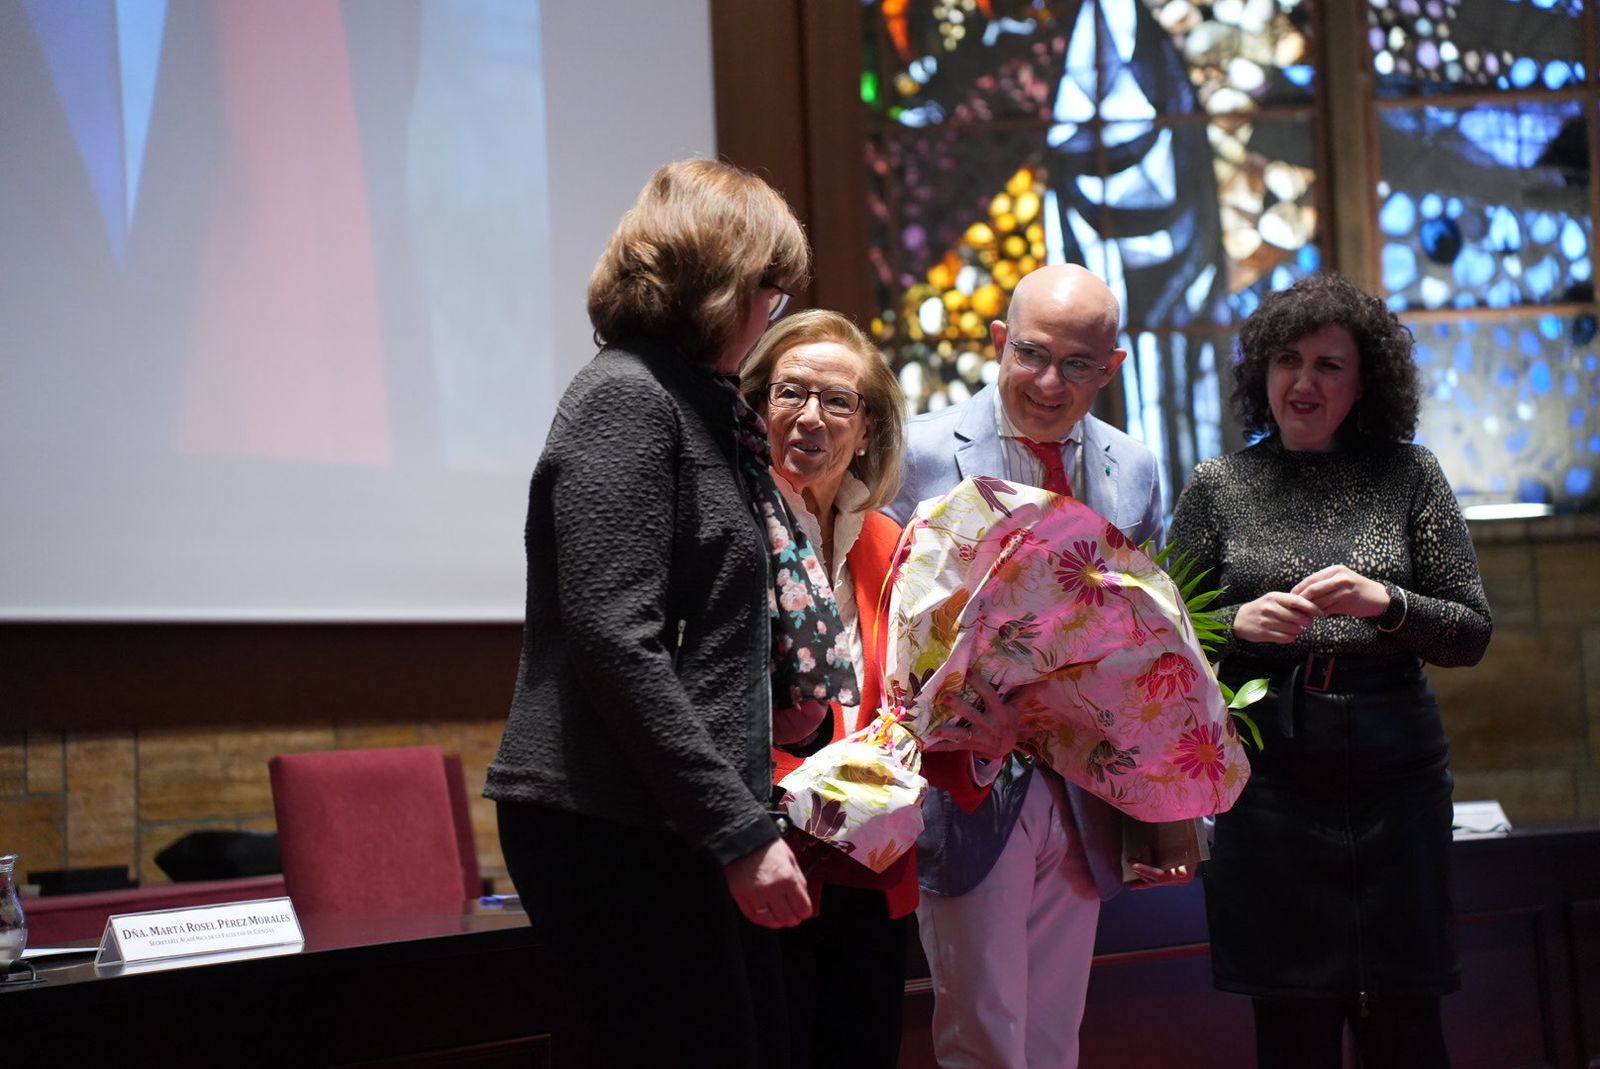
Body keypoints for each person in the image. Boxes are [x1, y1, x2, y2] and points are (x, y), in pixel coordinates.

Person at [484, 159, 851, 1069]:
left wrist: (775, 695)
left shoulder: (700, 406)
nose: (774, 313)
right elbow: (614, 639)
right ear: (718, 284)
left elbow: (707, 617)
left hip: (668, 816)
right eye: (769, 289)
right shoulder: (625, 399)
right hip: (609, 819)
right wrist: (735, 829)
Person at [1168, 273, 1492, 1069]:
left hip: (1395, 774)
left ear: (1364, 384)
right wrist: (1232, 627)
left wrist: (1387, 602)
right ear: (1261, 372)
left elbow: (1471, 634)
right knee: (1293, 1027)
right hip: (1270, 779)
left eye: (1328, 365)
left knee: (1406, 1020)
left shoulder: (1410, 474)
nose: (1302, 382)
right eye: (1287, 360)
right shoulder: (1218, 485)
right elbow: (1157, 641)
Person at [885, 262, 1186, 1068]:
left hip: (1082, 794)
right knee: (984, 1036)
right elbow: (880, 628)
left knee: (1056, 1039)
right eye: (1031, 354)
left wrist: (1159, 807)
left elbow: (1149, 645)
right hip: (966, 782)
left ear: (1112, 368)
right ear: (996, 342)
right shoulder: (914, 453)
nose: (1050, 382)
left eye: (1078, 364)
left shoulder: (1135, 467)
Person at [739, 308, 912, 1067]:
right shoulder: (733, 522)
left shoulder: (894, 541)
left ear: (867, 427)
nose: (811, 416)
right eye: (789, 393)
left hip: (867, 856)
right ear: (756, 409)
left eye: (837, 400)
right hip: (763, 849)